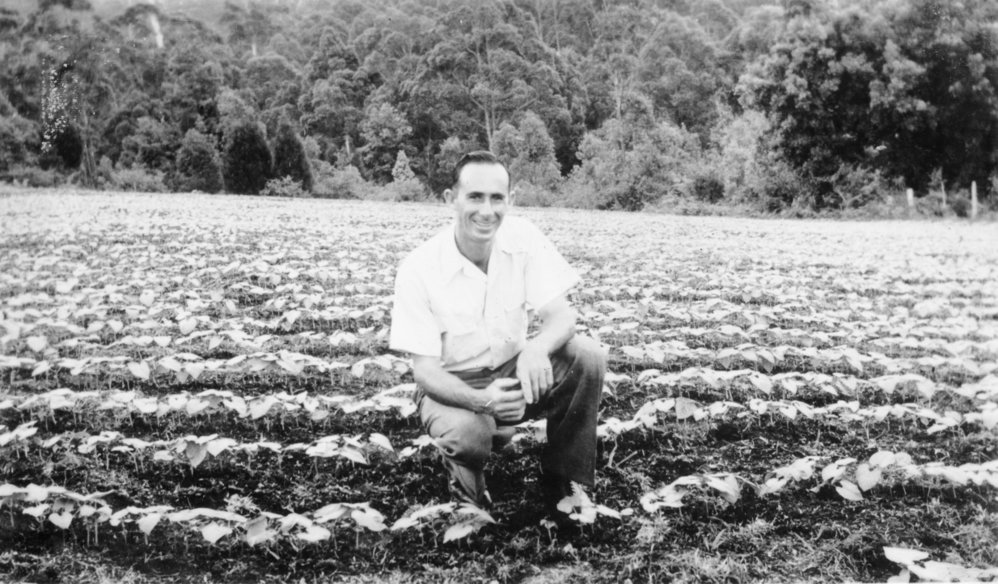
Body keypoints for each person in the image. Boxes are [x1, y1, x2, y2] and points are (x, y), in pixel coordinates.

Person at [389, 150, 606, 521]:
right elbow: (425, 371)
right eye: (474, 197)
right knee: (470, 437)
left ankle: (563, 478)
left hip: (512, 371)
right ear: (450, 200)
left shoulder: (523, 238)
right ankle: (468, 480)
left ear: (511, 200)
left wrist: (537, 347)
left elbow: (562, 316)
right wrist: (483, 403)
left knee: (586, 356)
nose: (486, 211)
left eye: (497, 198)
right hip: (453, 387)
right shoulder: (419, 269)